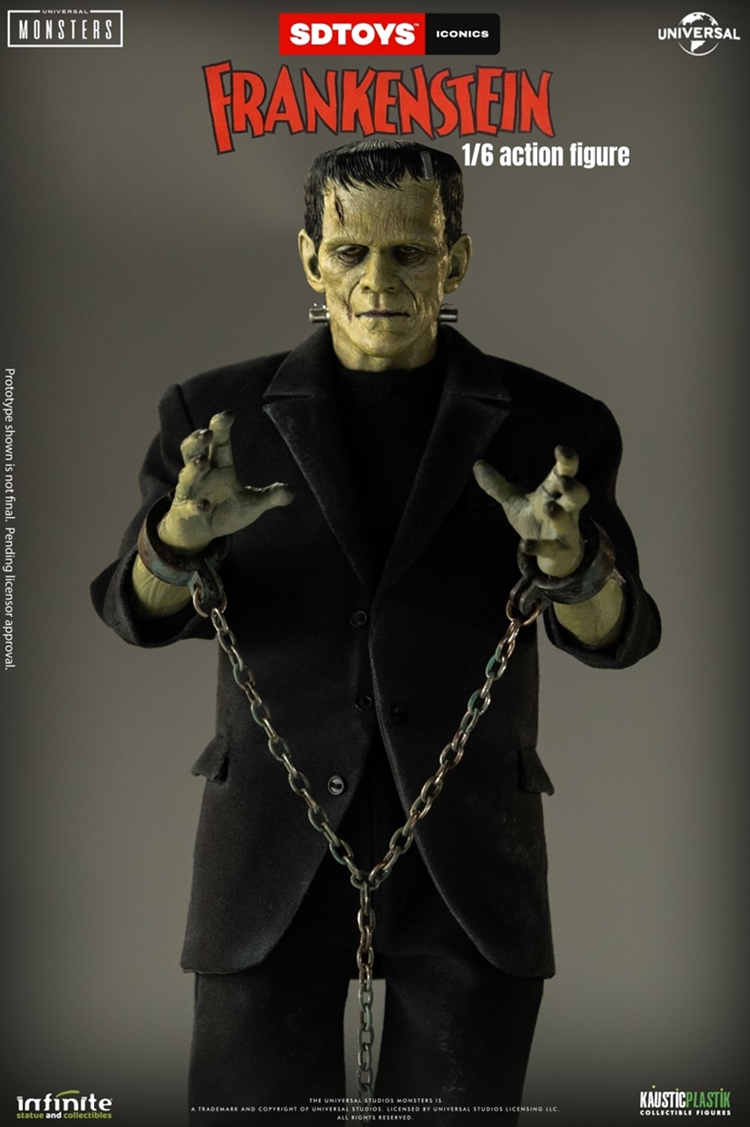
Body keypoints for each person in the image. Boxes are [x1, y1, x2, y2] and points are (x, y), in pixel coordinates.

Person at [91, 139, 660, 1124]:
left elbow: (619, 633)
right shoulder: (216, 417)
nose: (378, 280)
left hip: (468, 856)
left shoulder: (551, 427)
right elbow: (135, 613)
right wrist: (179, 539)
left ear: (457, 259)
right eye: (350, 251)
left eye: (411, 252)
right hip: (272, 851)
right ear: (310, 258)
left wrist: (570, 562)